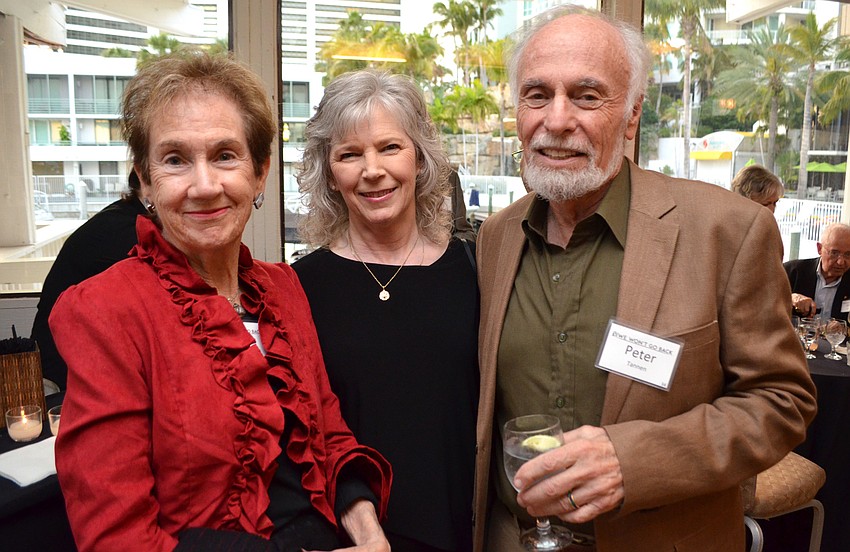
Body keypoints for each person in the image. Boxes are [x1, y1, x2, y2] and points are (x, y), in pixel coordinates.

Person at [472, 6, 817, 552]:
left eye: (587, 96)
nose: (556, 120)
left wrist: (633, 461)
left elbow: (782, 401)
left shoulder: (727, 231)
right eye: (537, 95)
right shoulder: (495, 237)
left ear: (632, 115)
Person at [49, 53, 391, 552]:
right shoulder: (105, 310)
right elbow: (115, 537)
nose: (205, 186)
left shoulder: (284, 289)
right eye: (175, 160)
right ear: (145, 181)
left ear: (260, 173)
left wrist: (369, 532)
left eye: (225, 155)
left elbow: (328, 435)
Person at [293, 69, 479, 552]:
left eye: (389, 147)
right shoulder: (299, 288)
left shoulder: (475, 270)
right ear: (329, 173)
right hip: (352, 537)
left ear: (420, 158)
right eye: (350, 154)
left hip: (463, 531)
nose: (372, 170)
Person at [31, 169, 146, 390]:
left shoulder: (124, 214)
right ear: (145, 183)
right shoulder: (126, 228)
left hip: (75, 356)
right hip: (60, 371)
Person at [785, 222, 850, 319]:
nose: (840, 262)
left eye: (848, 254)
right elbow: (765, 300)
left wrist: (843, 326)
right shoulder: (792, 271)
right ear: (819, 249)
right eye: (834, 253)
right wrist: (790, 298)